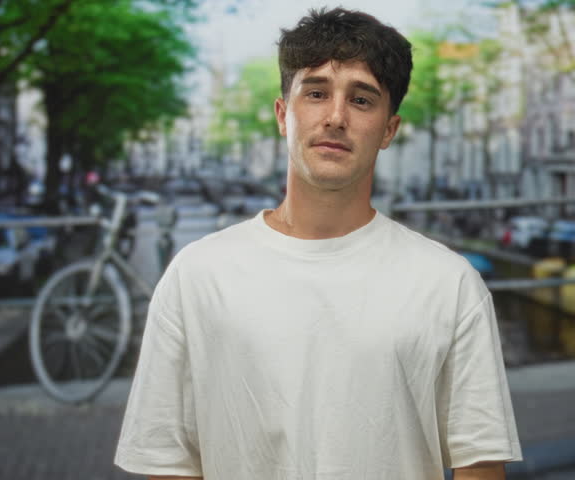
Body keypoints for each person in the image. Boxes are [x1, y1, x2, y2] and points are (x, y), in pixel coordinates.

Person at [115, 7, 522, 480]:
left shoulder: (451, 286)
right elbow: (167, 461)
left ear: (389, 129)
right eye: (316, 93)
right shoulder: (197, 276)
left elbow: (480, 466)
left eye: (362, 100)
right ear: (283, 115)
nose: (335, 117)